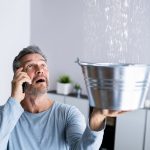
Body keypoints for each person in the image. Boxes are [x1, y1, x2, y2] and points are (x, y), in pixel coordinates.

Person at [0, 45, 126, 150]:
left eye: (43, 65)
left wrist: (97, 116)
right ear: (18, 76)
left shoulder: (69, 114)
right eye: (30, 66)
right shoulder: (5, 115)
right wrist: (14, 100)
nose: (40, 70)